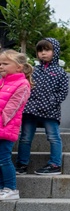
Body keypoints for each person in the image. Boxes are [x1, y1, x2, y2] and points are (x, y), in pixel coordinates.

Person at [15, 38, 68, 175]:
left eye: (47, 50)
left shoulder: (60, 72)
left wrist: (51, 102)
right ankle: (21, 164)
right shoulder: (33, 70)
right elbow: (26, 86)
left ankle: (55, 164)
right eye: (40, 50)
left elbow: (63, 92)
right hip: (30, 110)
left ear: (55, 51)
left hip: (50, 111)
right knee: (25, 137)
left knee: (53, 137)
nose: (43, 53)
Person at [0, 50, 33, 200]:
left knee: (4, 159)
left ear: (19, 67)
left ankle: (11, 188)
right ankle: (2, 188)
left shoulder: (22, 84)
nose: (1, 66)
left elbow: (10, 110)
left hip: (6, 129)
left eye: (5, 64)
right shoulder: (3, 81)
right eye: (0, 63)